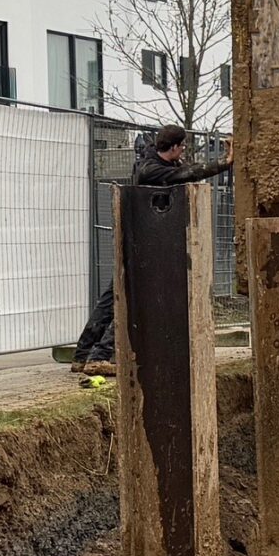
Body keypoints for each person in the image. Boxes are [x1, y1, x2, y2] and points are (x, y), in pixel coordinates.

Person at [71, 126, 233, 372]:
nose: (185, 150)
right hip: (144, 247)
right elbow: (187, 174)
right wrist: (224, 163)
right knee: (130, 301)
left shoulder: (151, 163)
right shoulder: (152, 170)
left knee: (109, 301)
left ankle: (83, 354)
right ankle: (100, 356)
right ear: (175, 146)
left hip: (134, 242)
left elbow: (185, 169)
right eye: (183, 146)